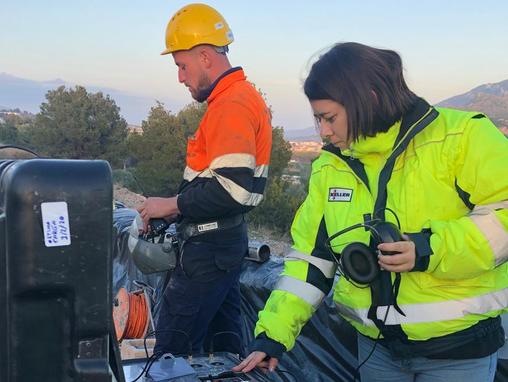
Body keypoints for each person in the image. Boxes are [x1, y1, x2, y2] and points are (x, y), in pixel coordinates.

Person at [234, 42, 508, 381]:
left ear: (370, 99)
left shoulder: (463, 137)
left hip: (458, 354)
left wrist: (430, 249)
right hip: (376, 353)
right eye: (317, 119)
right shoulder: (330, 168)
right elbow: (310, 261)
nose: (323, 132)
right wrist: (273, 335)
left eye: (329, 118)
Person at [136, 3, 272, 356]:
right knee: (224, 350)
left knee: (172, 354)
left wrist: (171, 204)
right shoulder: (236, 99)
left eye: (182, 66)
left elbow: (232, 189)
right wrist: (177, 210)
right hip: (223, 244)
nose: (180, 77)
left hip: (209, 250)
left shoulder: (231, 105)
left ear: (206, 57)